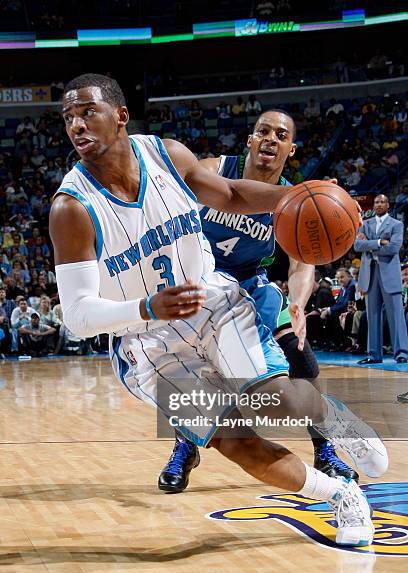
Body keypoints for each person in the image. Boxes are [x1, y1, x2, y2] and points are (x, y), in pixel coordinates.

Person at [50, 73, 388, 547]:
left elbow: (230, 195)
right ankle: (341, 493)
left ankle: (339, 423)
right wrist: (146, 306)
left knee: (276, 397)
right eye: (69, 118)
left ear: (120, 116)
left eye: (88, 112)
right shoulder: (71, 207)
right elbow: (78, 316)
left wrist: (294, 196)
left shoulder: (168, 155)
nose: (77, 125)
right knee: (235, 440)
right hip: (147, 344)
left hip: (212, 300)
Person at [159, 110, 357, 494]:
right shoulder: (216, 168)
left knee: (303, 360)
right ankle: (185, 445)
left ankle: (325, 448)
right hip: (199, 288)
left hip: (251, 288)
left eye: (280, 135)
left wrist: (298, 303)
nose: (270, 138)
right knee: (188, 373)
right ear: (250, 139)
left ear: (291, 149)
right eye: (263, 131)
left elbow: (302, 265)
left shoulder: (293, 199)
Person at [354, 194, 408, 364]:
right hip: (370, 274)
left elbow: (393, 248)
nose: (379, 204)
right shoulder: (364, 224)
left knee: (396, 316)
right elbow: (357, 245)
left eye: (383, 201)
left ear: (388, 205)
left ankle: (402, 353)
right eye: (376, 202)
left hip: (389, 274)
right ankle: (373, 354)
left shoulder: (397, 224)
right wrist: (378, 242)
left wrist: (369, 245)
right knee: (372, 315)